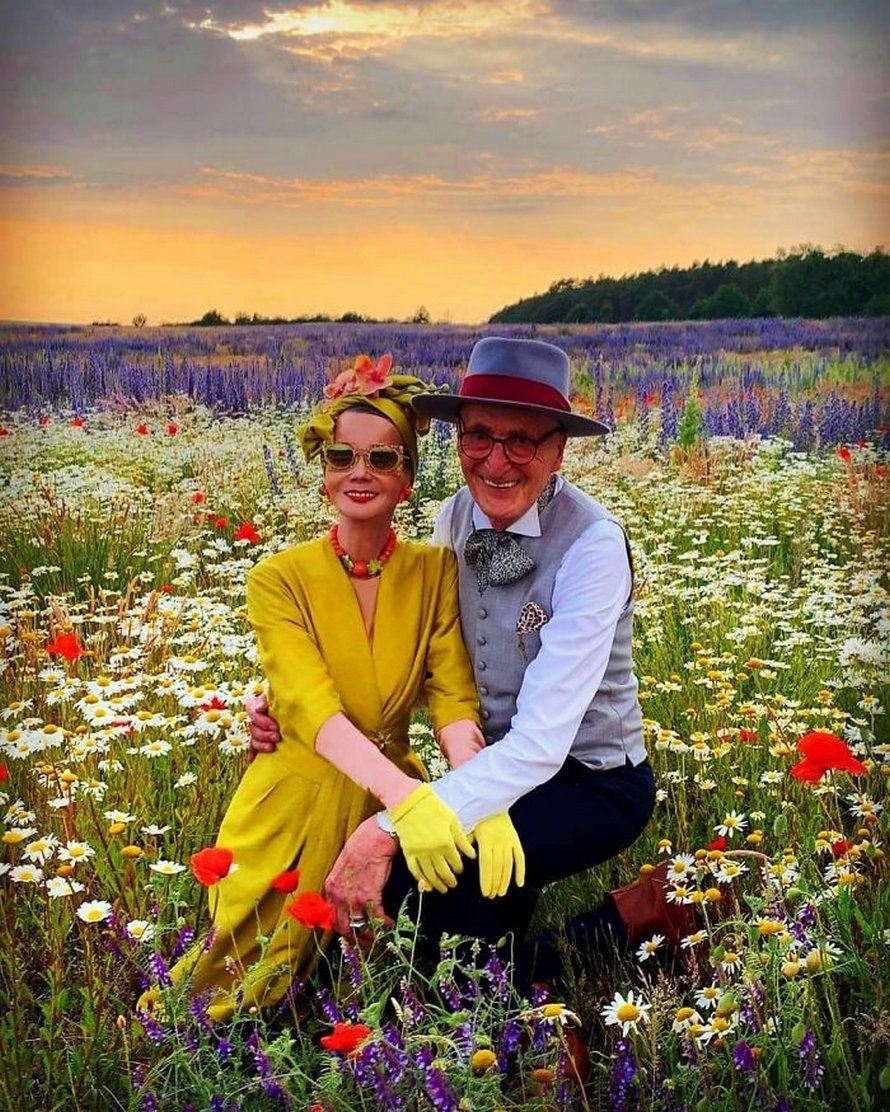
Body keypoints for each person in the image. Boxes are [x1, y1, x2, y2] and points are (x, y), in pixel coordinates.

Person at [138, 354, 525, 1022]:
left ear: (407, 479)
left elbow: (454, 699)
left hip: (384, 803)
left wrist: (482, 796)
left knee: (381, 978)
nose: (360, 473)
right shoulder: (277, 579)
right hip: (297, 796)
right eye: (342, 457)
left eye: (383, 459)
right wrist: (408, 799)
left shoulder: (435, 571)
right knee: (234, 984)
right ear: (323, 475)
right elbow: (308, 703)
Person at [249, 336, 656, 969]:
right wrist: (283, 704)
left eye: (522, 442)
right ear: (458, 437)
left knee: (412, 891)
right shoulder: (454, 518)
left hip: (590, 777)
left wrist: (389, 825)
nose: (497, 462)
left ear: (558, 450)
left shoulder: (593, 545)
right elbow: (423, 662)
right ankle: (494, 965)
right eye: (479, 437)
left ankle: (621, 930)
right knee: (449, 916)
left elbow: (543, 743)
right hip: (488, 762)